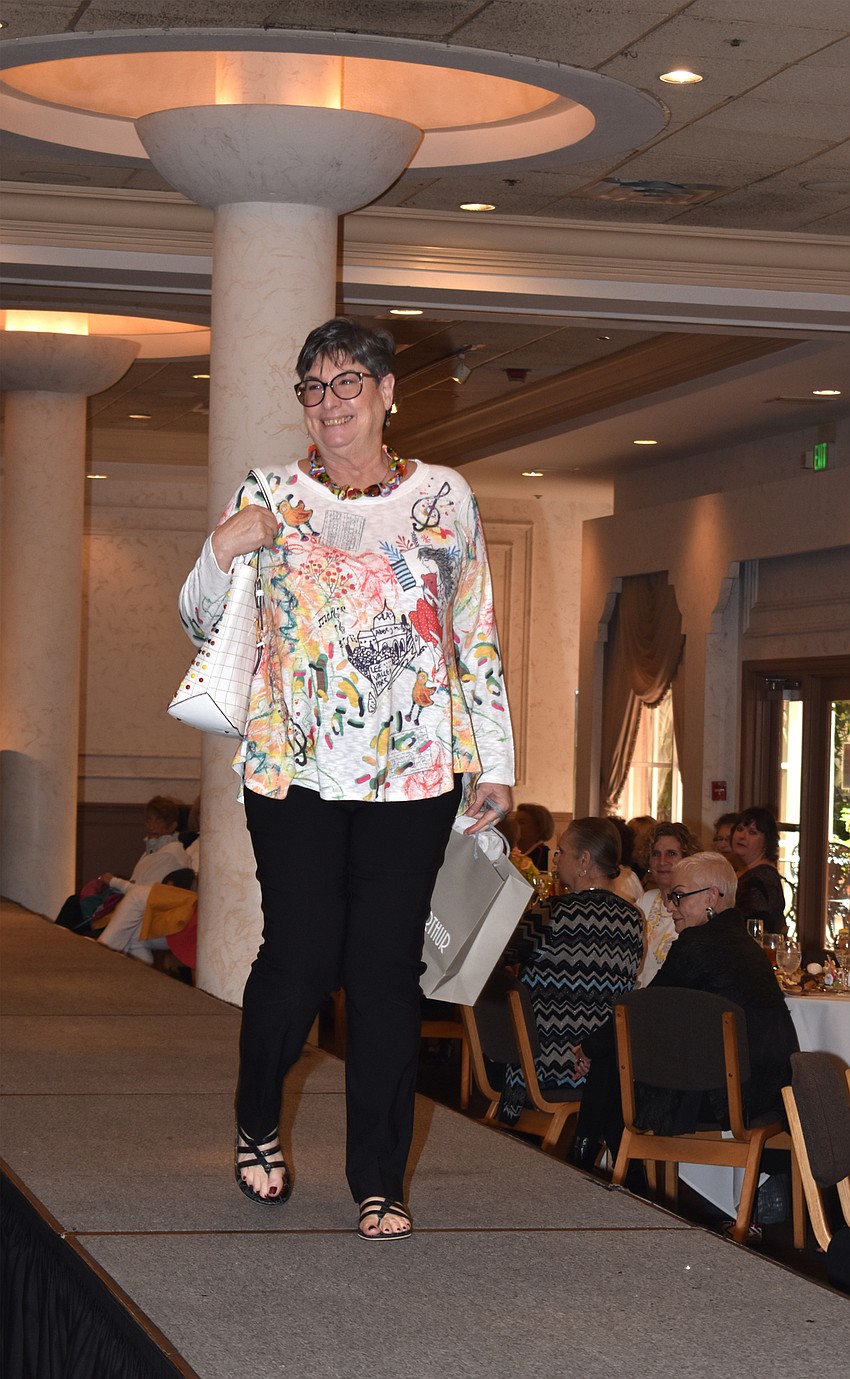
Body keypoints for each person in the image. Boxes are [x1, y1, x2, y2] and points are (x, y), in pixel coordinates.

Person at [178, 317, 515, 1240]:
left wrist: (497, 762)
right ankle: (257, 1117)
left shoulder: (444, 498)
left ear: (387, 391)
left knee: (382, 980)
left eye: (346, 384)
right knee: (300, 959)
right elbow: (198, 618)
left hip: (413, 775)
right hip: (295, 769)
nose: (328, 405)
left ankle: (380, 1177)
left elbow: (474, 634)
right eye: (313, 388)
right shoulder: (270, 493)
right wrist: (225, 544)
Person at [572, 852, 798, 1172]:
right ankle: (609, 1173)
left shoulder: (698, 943)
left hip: (733, 1098)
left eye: (678, 896)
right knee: (618, 1058)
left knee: (615, 1058)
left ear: (711, 897)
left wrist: (590, 1048)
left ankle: (586, 1161)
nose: (668, 906)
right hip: (766, 1090)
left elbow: (640, 1011)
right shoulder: (742, 943)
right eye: (669, 896)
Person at [499, 817, 643, 1125]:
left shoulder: (552, 913)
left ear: (584, 860)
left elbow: (498, 956)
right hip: (607, 1066)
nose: (556, 859)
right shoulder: (633, 919)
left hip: (545, 1064)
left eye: (561, 852)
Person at [54, 795, 191, 935]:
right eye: (149, 819)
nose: (151, 825)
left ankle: (58, 940)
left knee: (76, 908)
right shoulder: (154, 849)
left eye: (158, 820)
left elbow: (146, 895)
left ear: (172, 825)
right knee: (76, 902)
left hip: (141, 915)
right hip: (132, 906)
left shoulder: (169, 854)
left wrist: (113, 881)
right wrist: (110, 884)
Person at [635, 821, 700, 987]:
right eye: (656, 854)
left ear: (687, 859)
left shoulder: (695, 906)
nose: (662, 861)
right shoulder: (645, 901)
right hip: (638, 999)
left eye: (671, 854)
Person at [732, 806, 786, 933]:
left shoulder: (762, 877)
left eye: (752, 832)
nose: (742, 836)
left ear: (767, 841)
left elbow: (756, 929)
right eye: (739, 829)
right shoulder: (745, 871)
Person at [511, 802, 555, 871]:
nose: (515, 826)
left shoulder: (544, 856)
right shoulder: (512, 854)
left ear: (539, 827)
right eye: (515, 822)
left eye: (522, 822)